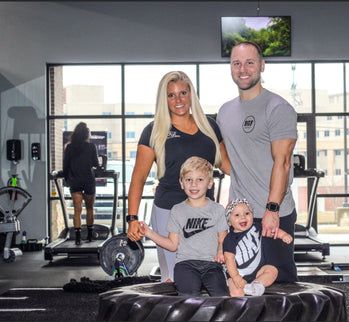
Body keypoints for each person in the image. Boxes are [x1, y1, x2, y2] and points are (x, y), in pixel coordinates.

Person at [126, 71, 230, 282]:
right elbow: (138, 179)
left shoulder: (210, 127)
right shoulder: (154, 131)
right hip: (168, 211)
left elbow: (228, 165)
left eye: (183, 93)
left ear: (191, 94)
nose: (178, 100)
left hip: (205, 212)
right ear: (163, 99)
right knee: (174, 278)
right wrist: (132, 219)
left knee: (209, 274)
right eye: (171, 95)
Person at [216, 41, 298, 282]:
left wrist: (272, 208)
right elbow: (228, 163)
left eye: (250, 62)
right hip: (241, 213)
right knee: (241, 279)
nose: (243, 69)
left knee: (276, 280)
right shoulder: (224, 112)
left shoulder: (278, 107)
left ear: (262, 65)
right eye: (237, 63)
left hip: (272, 211)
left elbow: (282, 162)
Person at [138, 156, 229, 296]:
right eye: (188, 180)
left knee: (221, 295)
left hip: (212, 264)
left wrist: (220, 252)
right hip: (186, 264)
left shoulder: (218, 209)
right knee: (189, 296)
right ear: (182, 183)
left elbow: (223, 238)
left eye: (200, 179)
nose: (193, 184)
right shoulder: (177, 210)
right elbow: (172, 245)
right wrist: (149, 233)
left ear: (210, 183)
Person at [223, 198, 292, 297]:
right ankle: (241, 304)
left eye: (247, 213)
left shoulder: (256, 227)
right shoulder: (229, 238)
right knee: (236, 292)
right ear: (229, 221)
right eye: (237, 215)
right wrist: (236, 277)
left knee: (272, 270)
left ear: (252, 215)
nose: (243, 217)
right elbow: (229, 259)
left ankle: (256, 285)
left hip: (257, 273)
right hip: (237, 273)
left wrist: (283, 235)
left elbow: (271, 231)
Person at [63, 122, 99, 245]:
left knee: (77, 210)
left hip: (75, 181)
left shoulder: (69, 147)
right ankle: (89, 236)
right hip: (88, 180)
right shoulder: (91, 147)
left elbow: (66, 165)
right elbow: (95, 164)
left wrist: (66, 180)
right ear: (86, 134)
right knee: (90, 209)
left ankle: (78, 238)